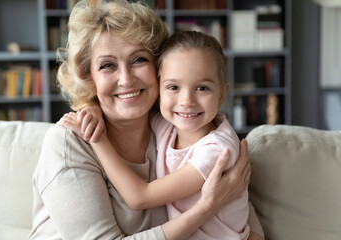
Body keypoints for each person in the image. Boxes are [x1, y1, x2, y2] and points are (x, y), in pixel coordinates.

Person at [29, 0, 264, 239]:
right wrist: (206, 208)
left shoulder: (173, 126)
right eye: (107, 65)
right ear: (89, 77)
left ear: (159, 68)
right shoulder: (70, 143)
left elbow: (234, 198)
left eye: (139, 60)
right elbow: (216, 199)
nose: (126, 79)